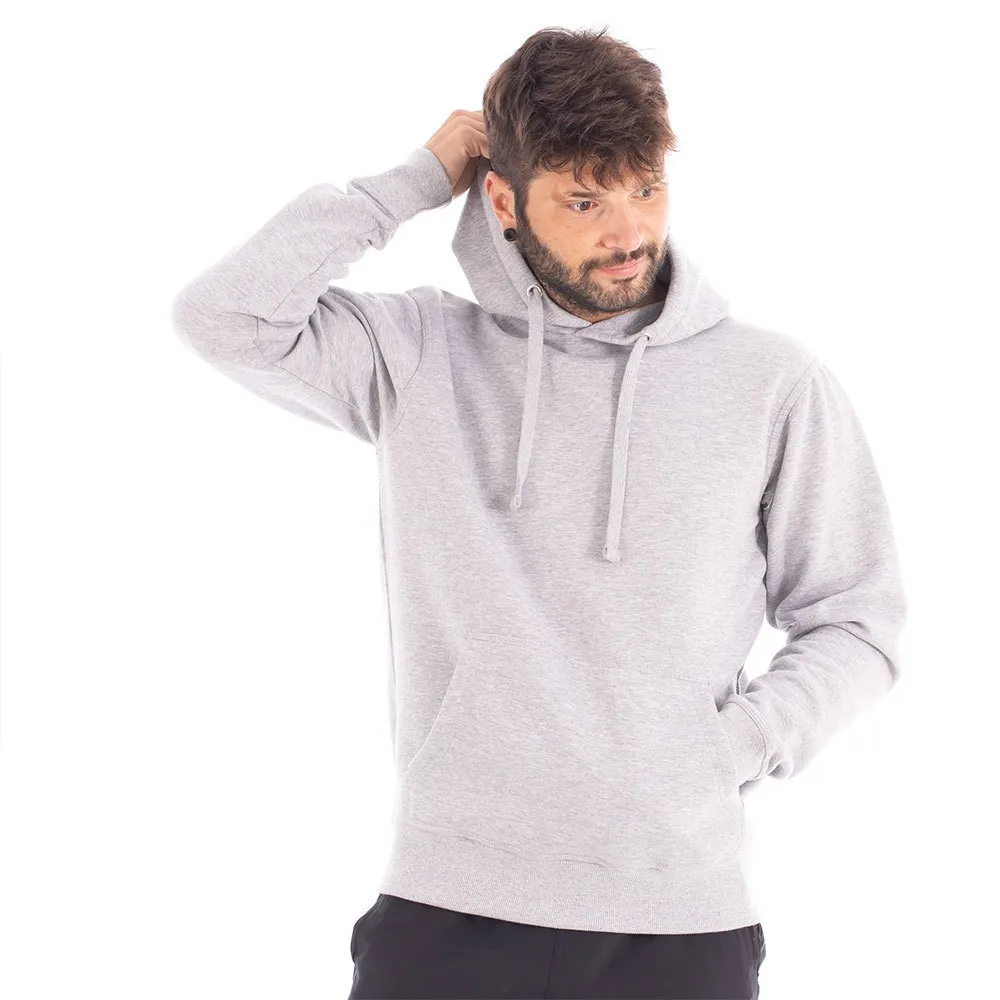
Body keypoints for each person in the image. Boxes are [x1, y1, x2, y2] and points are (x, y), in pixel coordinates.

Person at [171, 25, 906, 1000]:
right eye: (585, 200)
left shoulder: (770, 383)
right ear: (503, 202)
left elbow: (857, 618)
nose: (628, 231)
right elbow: (224, 315)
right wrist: (411, 180)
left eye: (646, 187)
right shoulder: (418, 352)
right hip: (448, 905)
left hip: (675, 916)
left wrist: (730, 748)